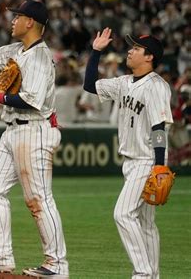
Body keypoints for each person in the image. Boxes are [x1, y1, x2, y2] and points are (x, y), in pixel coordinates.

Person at [0, 0, 69, 277]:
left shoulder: (39, 56)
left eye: (17, 16)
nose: (12, 20)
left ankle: (56, 264)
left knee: (38, 199)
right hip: (13, 131)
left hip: (34, 130)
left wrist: (1, 95)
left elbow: (31, 100)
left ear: (30, 22)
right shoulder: (16, 49)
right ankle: (0, 255)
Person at [83, 28, 173, 278]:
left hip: (147, 160)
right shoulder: (123, 82)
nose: (130, 51)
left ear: (149, 57)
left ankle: (142, 273)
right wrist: (96, 51)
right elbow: (90, 85)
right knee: (145, 223)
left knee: (122, 214)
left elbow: (159, 128)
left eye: (136, 49)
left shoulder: (156, 86)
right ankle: (153, 275)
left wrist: (158, 165)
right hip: (132, 162)